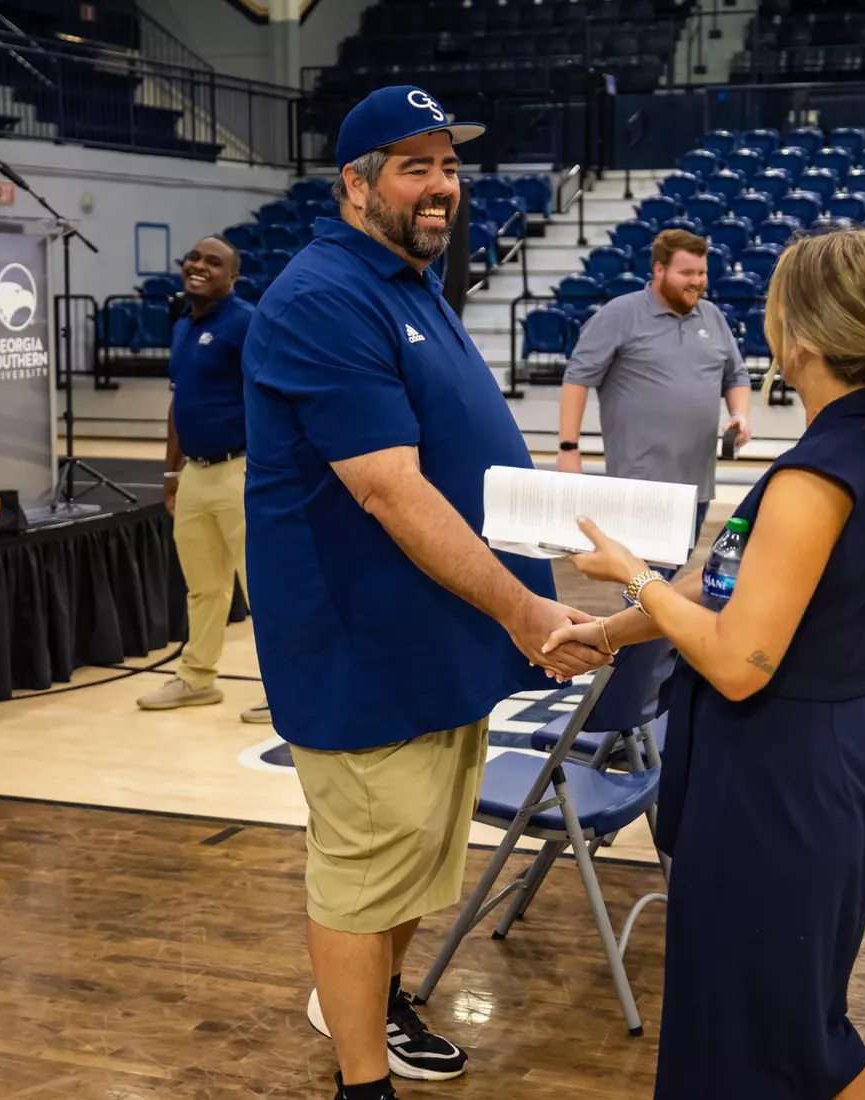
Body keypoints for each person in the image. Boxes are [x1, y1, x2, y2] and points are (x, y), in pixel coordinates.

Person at [240, 86, 611, 1100]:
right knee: (364, 873)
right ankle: (362, 1079)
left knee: (409, 864)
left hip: (435, 640)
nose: (443, 184)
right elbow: (389, 489)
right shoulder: (325, 297)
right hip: (365, 648)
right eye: (415, 164)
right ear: (354, 184)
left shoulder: (409, 285)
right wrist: (526, 609)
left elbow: (461, 454)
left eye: (449, 164)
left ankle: (375, 1000)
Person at [546, 228, 865, 1100]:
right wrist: (604, 634)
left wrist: (629, 572)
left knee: (798, 1051)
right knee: (784, 1042)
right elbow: (714, 590)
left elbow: (738, 660)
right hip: (813, 768)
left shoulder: (813, 476)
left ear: (794, 335)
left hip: (782, 785)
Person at [138, 236, 268, 723]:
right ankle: (196, 679)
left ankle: (287, 690)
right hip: (195, 473)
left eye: (213, 263)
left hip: (241, 470)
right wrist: (171, 472)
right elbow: (180, 403)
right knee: (202, 587)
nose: (199, 266)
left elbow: (269, 399)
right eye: (194, 258)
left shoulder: (246, 322)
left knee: (262, 589)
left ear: (232, 277)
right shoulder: (182, 323)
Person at [557, 228, 752, 544]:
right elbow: (577, 379)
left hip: (697, 482)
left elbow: (736, 376)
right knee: (645, 577)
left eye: (702, 273)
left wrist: (740, 414)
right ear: (659, 269)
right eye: (686, 272)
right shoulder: (620, 314)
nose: (697, 281)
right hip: (639, 483)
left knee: (667, 575)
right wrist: (568, 449)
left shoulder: (713, 317)